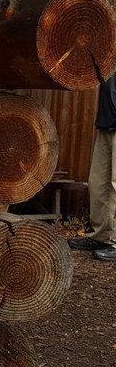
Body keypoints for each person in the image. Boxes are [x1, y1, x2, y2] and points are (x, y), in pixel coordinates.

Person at [68, 73, 116, 261]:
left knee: (115, 185)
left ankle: (114, 241)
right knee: (98, 183)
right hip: (107, 121)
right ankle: (101, 235)